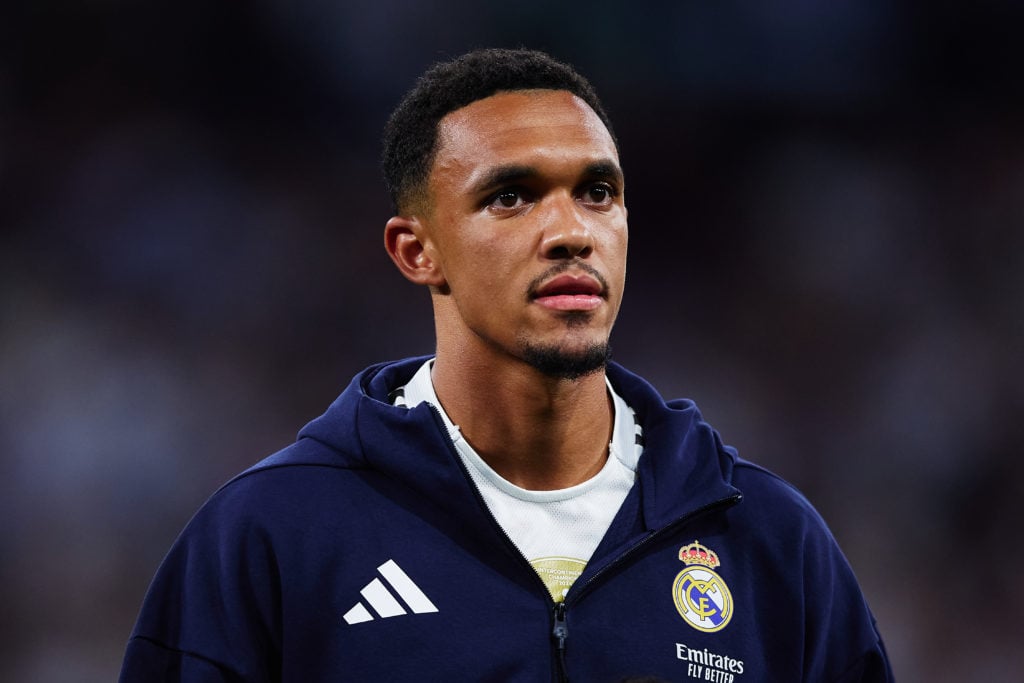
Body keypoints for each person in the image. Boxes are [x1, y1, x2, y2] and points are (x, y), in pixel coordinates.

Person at [120, 48, 894, 682]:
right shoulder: (272, 536)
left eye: (597, 192)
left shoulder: (769, 542)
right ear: (417, 250)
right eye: (512, 196)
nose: (571, 231)